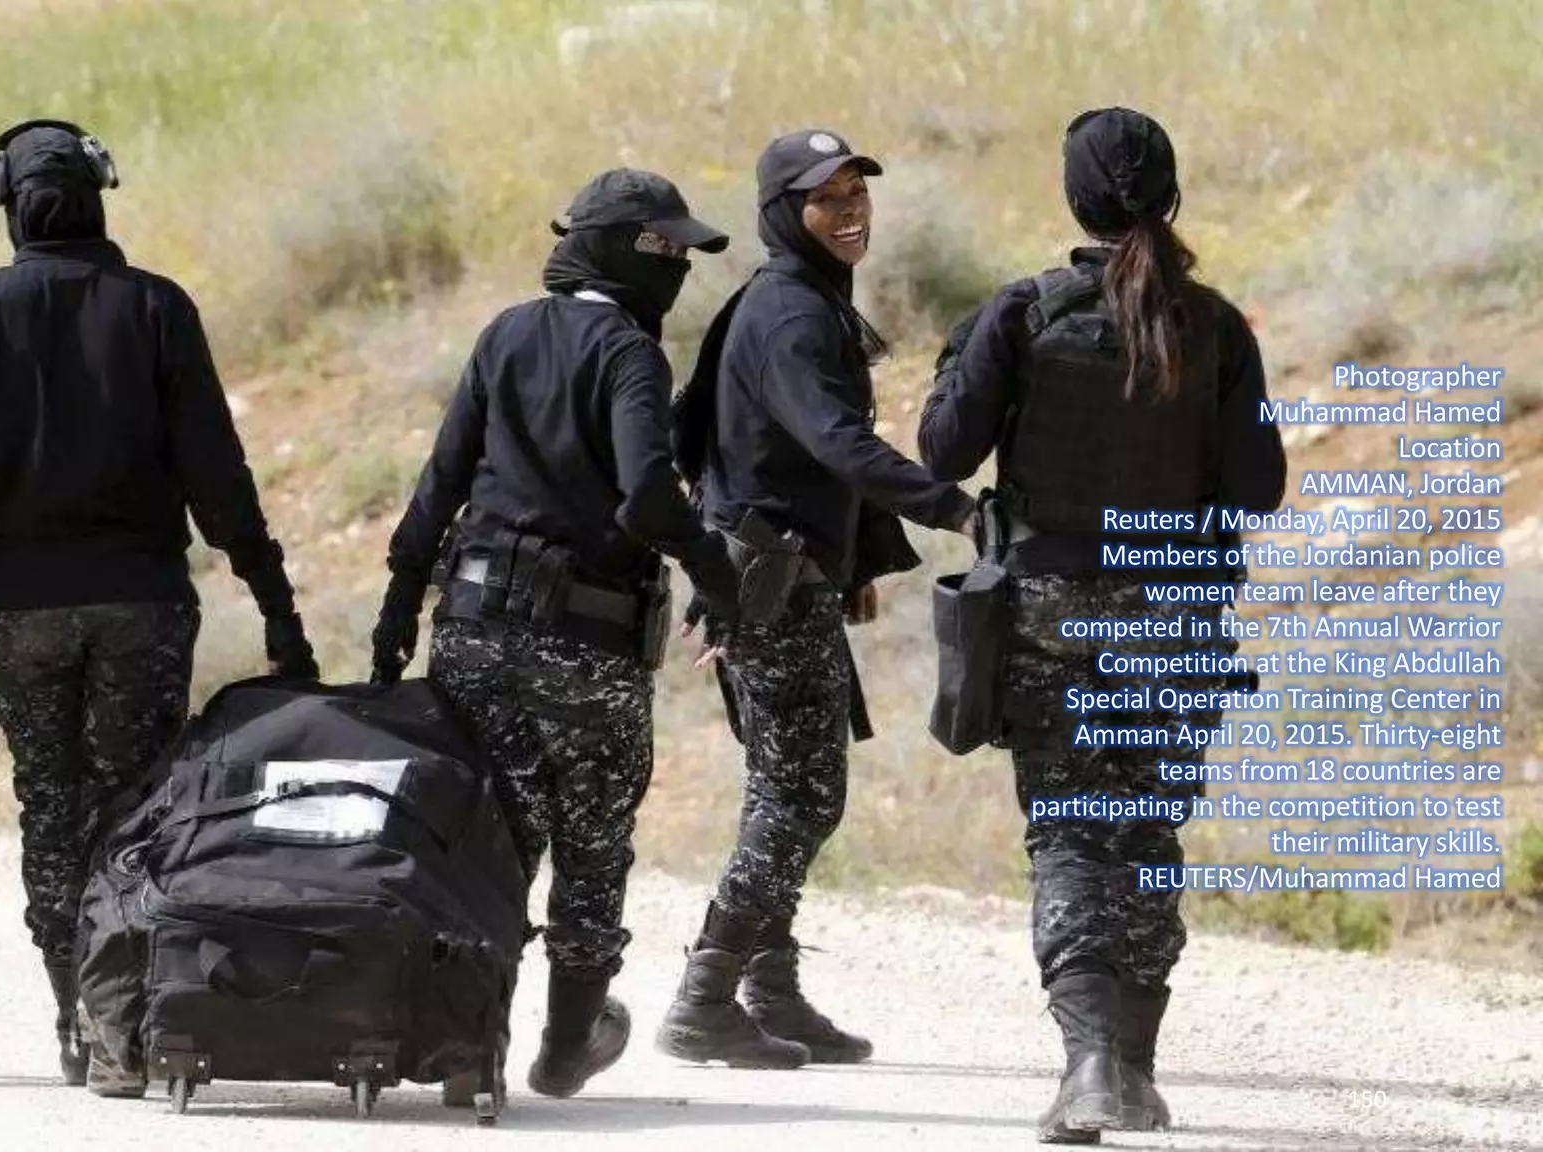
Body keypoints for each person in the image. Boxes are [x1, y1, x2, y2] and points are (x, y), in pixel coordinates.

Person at [0, 119, 319, 1093]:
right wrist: (275, 603)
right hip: (142, 601)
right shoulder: (157, 308)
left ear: (4, 203)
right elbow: (218, 474)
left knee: (50, 805)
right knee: (133, 805)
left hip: (20, 608)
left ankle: (74, 1017)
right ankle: (122, 1020)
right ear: (97, 193)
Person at [918, 107, 1286, 1142]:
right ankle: (1131, 1067)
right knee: (1145, 833)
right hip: (1174, 621)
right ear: (1171, 196)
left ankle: (1089, 1065)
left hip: (1050, 623)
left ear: (1074, 200)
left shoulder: (1023, 314)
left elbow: (942, 452)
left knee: (1071, 833)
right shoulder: (1216, 328)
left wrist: (959, 366)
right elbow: (1258, 488)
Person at [371, 169, 742, 1101]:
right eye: (669, 250)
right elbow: (647, 494)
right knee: (592, 843)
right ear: (623, 251)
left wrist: (399, 605)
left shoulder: (505, 334)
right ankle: (568, 1044)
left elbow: (439, 481)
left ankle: (468, 1047)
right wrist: (715, 571)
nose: (682, 269)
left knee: (486, 840)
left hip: (472, 631)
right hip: (586, 642)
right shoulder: (630, 353)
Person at [660, 129, 978, 1069]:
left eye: (856, 194)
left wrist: (860, 560)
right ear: (781, 211)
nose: (850, 213)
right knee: (802, 797)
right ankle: (705, 995)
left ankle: (770, 992)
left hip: (787, 576)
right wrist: (958, 509)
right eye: (826, 199)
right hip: (770, 582)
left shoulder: (799, 299)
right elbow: (840, 442)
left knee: (783, 789)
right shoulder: (792, 315)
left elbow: (800, 452)